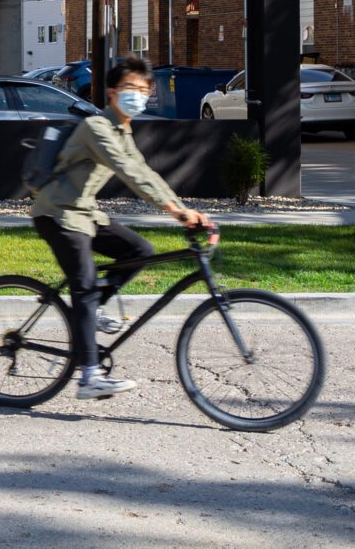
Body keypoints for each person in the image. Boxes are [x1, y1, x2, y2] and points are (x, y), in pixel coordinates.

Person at [28, 55, 216, 399]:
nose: (138, 95)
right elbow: (126, 172)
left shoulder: (123, 129)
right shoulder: (97, 128)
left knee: (139, 251)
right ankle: (88, 377)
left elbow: (145, 171)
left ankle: (89, 313)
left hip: (85, 213)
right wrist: (174, 211)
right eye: (130, 87)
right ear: (112, 92)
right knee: (84, 288)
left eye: (144, 89)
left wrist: (182, 207)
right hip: (58, 214)